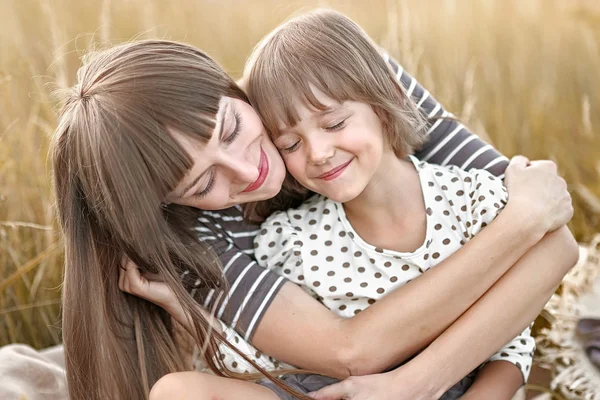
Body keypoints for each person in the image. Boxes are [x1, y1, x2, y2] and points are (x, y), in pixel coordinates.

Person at [51, 33, 576, 400]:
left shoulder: (329, 89)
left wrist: (423, 383)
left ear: (227, 86)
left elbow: (555, 241)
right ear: (172, 202)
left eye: (232, 129)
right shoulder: (192, 234)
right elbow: (348, 354)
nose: (246, 170)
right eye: (202, 183)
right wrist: (521, 220)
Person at [240, 9, 536, 399]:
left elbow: (512, 344)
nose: (318, 152)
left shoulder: (474, 202)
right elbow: (259, 363)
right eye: (290, 145)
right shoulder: (290, 240)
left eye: (333, 124)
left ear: (386, 101)